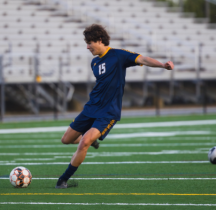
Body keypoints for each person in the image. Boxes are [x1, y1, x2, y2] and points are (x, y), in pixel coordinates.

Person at [55, 24, 174, 189]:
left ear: (100, 40)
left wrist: (162, 65)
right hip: (91, 107)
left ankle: (63, 180)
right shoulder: (94, 63)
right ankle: (90, 140)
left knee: (84, 143)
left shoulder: (119, 55)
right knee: (66, 140)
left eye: (90, 42)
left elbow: (144, 59)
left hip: (108, 112)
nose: (87, 46)